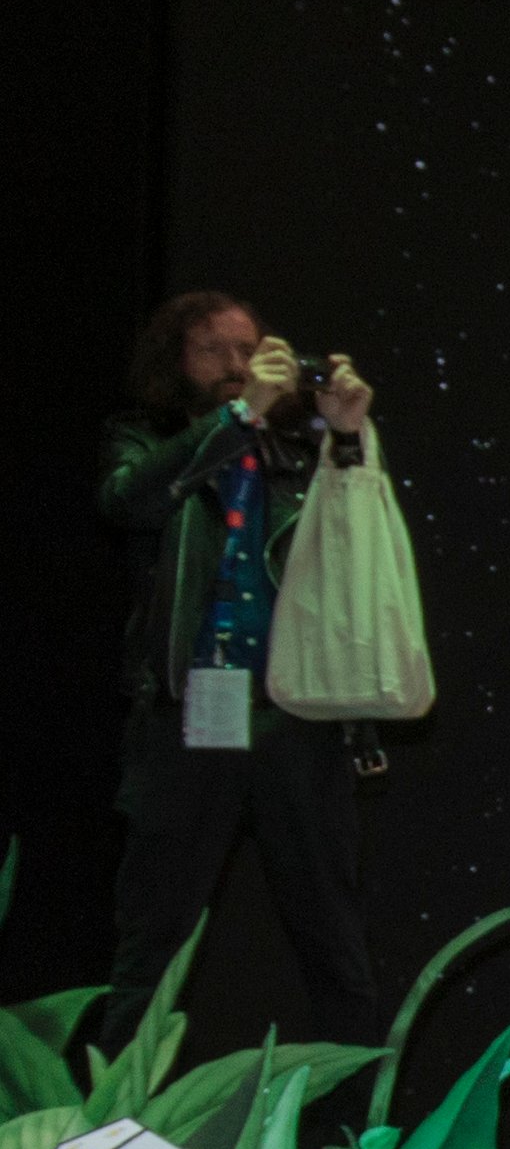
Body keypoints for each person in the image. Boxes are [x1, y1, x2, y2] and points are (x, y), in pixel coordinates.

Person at [98, 287, 387, 1057]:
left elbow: (361, 552)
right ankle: (116, 1138)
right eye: (213, 351)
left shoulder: (306, 449)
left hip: (294, 715)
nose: (234, 365)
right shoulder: (146, 439)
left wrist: (348, 434)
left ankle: (360, 1143)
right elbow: (129, 501)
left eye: (248, 349)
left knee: (334, 938)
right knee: (153, 943)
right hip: (188, 712)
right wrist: (238, 416)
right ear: (176, 363)